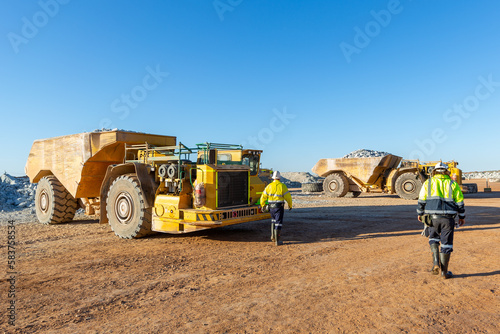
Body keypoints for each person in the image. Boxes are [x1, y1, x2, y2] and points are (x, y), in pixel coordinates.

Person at [417, 162, 465, 279]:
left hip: (432, 218)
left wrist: (420, 213)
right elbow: (459, 202)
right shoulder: (453, 184)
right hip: (448, 219)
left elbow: (421, 199)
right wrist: (462, 216)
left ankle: (435, 263)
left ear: (434, 171)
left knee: (433, 239)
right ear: (446, 171)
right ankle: (444, 272)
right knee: (446, 244)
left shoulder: (428, 183)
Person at [260, 171, 293, 246]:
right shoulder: (282, 186)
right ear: (279, 178)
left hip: (271, 207)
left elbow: (263, 196)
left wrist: (263, 205)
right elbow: (288, 197)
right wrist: (290, 205)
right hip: (279, 207)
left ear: (273, 178)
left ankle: (273, 236)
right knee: (278, 223)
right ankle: (277, 241)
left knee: (273, 220)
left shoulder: (269, 186)